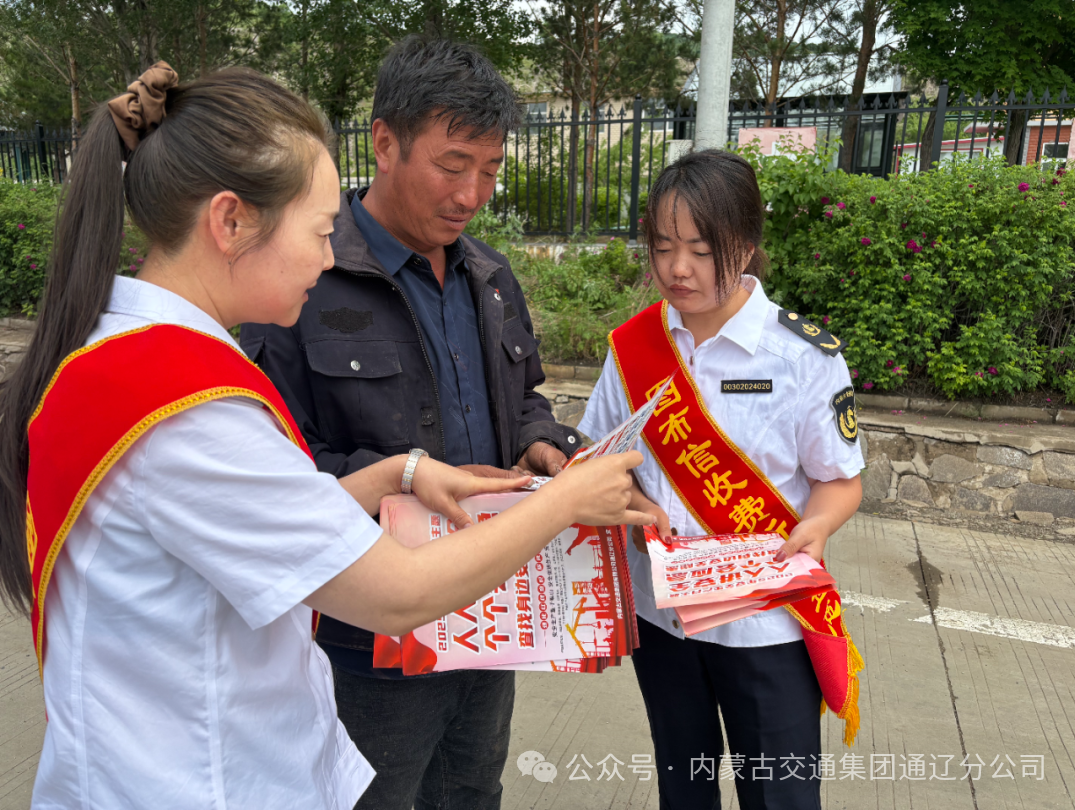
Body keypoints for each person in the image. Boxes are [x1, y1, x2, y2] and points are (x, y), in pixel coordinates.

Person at [0, 64, 650, 810]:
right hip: (206, 772)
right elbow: (397, 592)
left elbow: (243, 514)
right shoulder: (187, 410)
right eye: (316, 232)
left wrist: (395, 473)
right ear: (231, 222)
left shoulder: (120, 359)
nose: (325, 254)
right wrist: (567, 501)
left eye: (490, 169)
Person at [240, 38, 579, 810]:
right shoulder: (306, 285)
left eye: (490, 171)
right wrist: (401, 478)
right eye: (453, 164)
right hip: (368, 635)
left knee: (471, 789)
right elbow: (276, 468)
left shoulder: (490, 277)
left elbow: (525, 394)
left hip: (493, 611)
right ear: (384, 142)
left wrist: (538, 442)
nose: (472, 194)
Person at [578, 149, 865, 810]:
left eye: (703, 249)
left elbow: (839, 479)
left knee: (781, 798)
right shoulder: (634, 349)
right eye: (664, 246)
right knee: (685, 788)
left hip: (766, 628)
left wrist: (816, 527)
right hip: (667, 621)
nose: (679, 269)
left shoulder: (803, 358)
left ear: (748, 244)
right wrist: (631, 502)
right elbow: (601, 458)